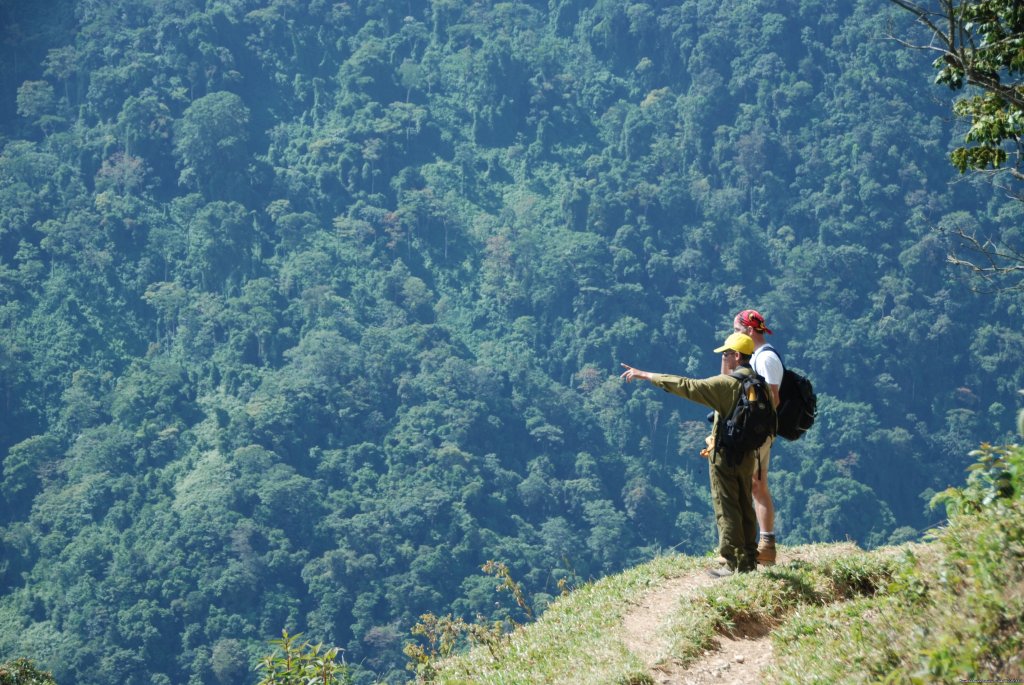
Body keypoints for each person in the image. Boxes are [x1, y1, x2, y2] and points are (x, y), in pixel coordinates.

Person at [620, 332, 765, 577]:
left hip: (725, 456)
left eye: (727, 354)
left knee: (726, 505)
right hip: (749, 454)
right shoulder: (756, 382)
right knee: (744, 504)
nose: (725, 357)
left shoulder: (727, 384)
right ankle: (749, 559)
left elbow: (688, 386)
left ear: (737, 355)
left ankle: (731, 562)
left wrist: (646, 375)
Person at [733, 309, 782, 566]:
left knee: (756, 486)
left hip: (759, 433)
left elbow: (773, 398)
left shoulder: (766, 360)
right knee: (753, 485)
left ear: (750, 331)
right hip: (755, 431)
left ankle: (765, 546)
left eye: (738, 331)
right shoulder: (756, 357)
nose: (735, 336)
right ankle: (759, 545)